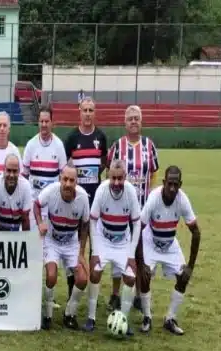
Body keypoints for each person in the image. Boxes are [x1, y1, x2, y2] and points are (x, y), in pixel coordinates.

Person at [136, 166, 201, 335]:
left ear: (180, 184)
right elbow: (139, 229)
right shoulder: (153, 198)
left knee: (183, 277)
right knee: (145, 276)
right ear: (164, 182)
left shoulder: (182, 199)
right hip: (151, 240)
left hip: (170, 244)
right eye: (169, 184)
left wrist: (190, 266)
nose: (172, 188)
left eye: (176, 184)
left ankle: (170, 319)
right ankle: (147, 317)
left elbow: (196, 232)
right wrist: (141, 263)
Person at [106, 104, 159, 312]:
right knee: (119, 250)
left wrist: (148, 195)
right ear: (125, 122)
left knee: (140, 253)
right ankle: (115, 294)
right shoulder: (118, 146)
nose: (134, 121)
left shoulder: (149, 145)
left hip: (143, 211)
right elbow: (110, 172)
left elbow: (153, 172)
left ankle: (138, 294)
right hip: (120, 210)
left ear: (141, 121)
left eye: (137, 118)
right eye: (130, 118)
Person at [83, 160, 142, 335]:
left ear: (125, 177)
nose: (116, 183)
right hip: (103, 238)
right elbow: (93, 220)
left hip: (123, 241)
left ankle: (123, 319)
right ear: (108, 176)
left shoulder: (131, 191)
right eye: (113, 178)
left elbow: (137, 224)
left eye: (120, 179)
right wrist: (94, 251)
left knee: (130, 277)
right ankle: (91, 318)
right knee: (95, 272)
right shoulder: (102, 190)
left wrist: (131, 255)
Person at [34, 164, 90, 330]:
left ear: (76, 182)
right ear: (60, 179)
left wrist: (81, 253)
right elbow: (36, 205)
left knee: (82, 279)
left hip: (72, 242)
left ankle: (69, 314)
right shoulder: (51, 191)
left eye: (71, 180)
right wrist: (40, 223)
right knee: (51, 275)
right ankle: (48, 315)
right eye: (65, 179)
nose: (67, 183)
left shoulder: (83, 198)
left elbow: (85, 225)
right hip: (52, 240)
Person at [64, 97, 106, 303]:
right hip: (76, 203)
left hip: (95, 203)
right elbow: (66, 170)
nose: (88, 114)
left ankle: (91, 290)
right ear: (79, 112)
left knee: (93, 246)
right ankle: (73, 286)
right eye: (84, 110)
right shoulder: (72, 138)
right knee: (74, 244)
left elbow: (103, 164)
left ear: (94, 112)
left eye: (91, 110)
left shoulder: (101, 137)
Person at [22, 104, 67, 230]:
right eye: (41, 121)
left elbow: (63, 177)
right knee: (33, 243)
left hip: (51, 206)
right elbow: (23, 177)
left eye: (47, 121)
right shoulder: (30, 145)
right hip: (33, 204)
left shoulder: (59, 145)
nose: (44, 124)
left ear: (52, 123)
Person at [0, 154, 33, 232]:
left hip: (18, 230)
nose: (11, 175)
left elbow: (25, 220)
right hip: (1, 231)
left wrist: (26, 242)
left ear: (19, 171)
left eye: (15, 171)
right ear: (4, 170)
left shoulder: (26, 186)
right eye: (9, 170)